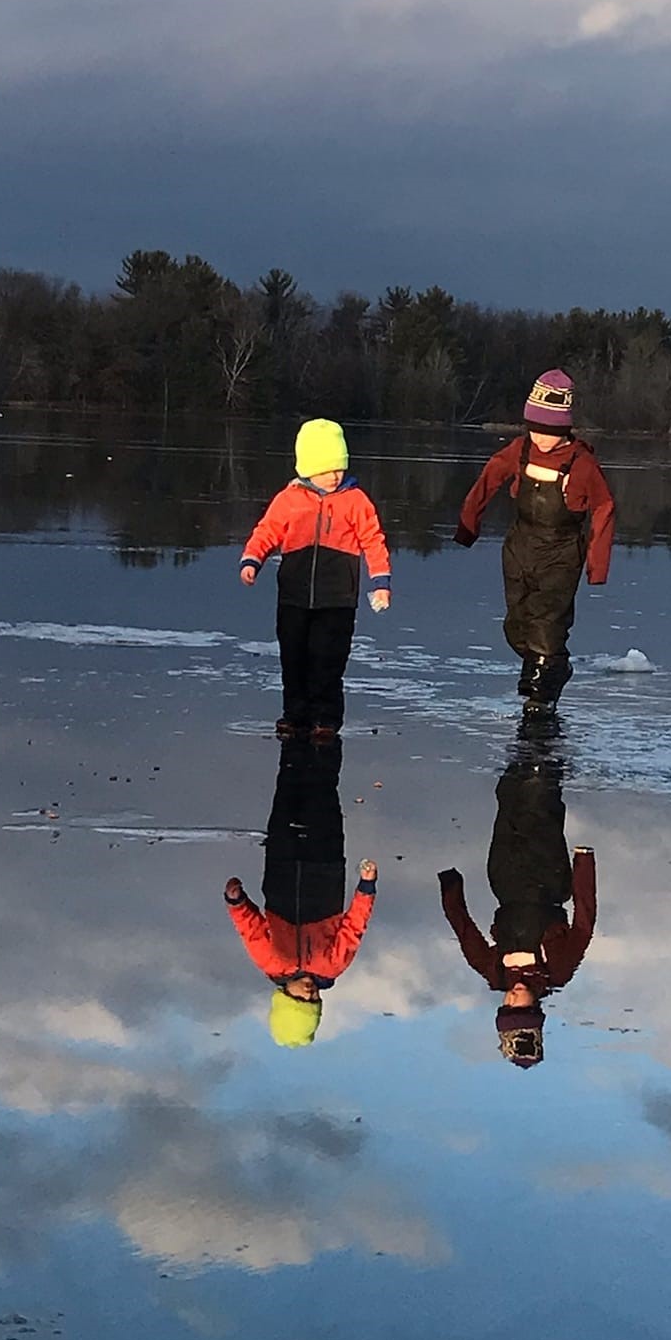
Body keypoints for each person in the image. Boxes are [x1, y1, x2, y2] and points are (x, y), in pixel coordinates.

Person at [453, 371, 616, 715]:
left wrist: (596, 564)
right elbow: (487, 480)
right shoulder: (519, 450)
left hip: (561, 552)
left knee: (547, 623)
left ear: (565, 429)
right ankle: (554, 667)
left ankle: (540, 697)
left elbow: (604, 507)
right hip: (519, 546)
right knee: (517, 626)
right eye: (536, 429)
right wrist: (468, 526)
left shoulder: (582, 463)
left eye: (551, 432)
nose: (542, 438)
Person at [439, 746, 597, 1066]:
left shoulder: (495, 972)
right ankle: (542, 735)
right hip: (549, 879)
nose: (512, 998)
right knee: (540, 805)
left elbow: (465, 931)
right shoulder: (557, 971)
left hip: (506, 881)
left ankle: (527, 746)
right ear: (535, 1008)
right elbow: (584, 923)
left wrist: (451, 887)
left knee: (509, 800)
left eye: (507, 1007)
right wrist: (583, 863)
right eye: (520, 1007)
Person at [240, 418, 391, 739]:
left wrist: (381, 582)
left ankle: (326, 718)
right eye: (327, 469)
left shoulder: (356, 501)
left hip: (337, 600)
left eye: (339, 468)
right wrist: (253, 560)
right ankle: (295, 715)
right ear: (308, 469)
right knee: (293, 658)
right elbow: (267, 531)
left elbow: (373, 541)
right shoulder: (289, 499)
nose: (335, 475)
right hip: (294, 596)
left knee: (328, 660)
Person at [225, 737, 378, 1047]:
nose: (310, 995)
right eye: (314, 1003)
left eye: (301, 1001)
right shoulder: (332, 966)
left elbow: (251, 930)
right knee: (323, 798)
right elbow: (354, 928)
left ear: (284, 997)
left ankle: (295, 742)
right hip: (325, 870)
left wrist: (236, 902)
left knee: (289, 796)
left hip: (282, 870)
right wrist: (366, 886)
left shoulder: (271, 964)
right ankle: (323, 742)